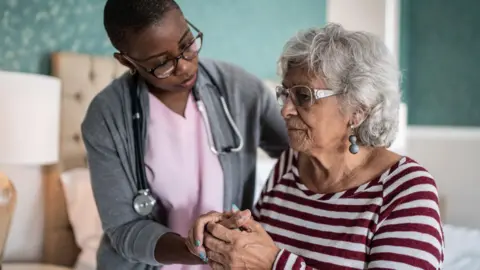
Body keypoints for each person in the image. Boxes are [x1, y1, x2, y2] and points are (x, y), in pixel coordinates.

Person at [187, 23, 445, 270]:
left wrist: (273, 264)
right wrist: (229, 236)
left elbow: (266, 260)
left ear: (357, 110)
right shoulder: (291, 164)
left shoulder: (406, 189)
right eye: (285, 94)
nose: (286, 110)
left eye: (303, 96)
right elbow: (257, 251)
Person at [80, 0, 289, 269]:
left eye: (187, 44)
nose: (185, 67)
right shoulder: (106, 117)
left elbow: (301, 155)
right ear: (126, 60)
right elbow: (125, 229)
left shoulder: (240, 89)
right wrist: (204, 248)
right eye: (162, 63)